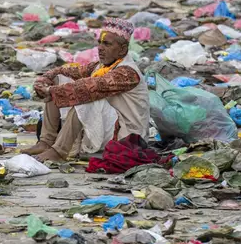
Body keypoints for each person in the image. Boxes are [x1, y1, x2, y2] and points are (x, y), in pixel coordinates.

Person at [23, 17, 150, 162]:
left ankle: (59, 152)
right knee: (57, 79)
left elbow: (91, 87)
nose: (100, 48)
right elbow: (67, 71)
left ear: (122, 49)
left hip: (127, 136)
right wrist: (45, 80)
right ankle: (46, 142)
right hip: (107, 128)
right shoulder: (101, 66)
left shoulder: (127, 73)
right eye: (100, 43)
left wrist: (50, 91)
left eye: (107, 44)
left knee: (85, 96)